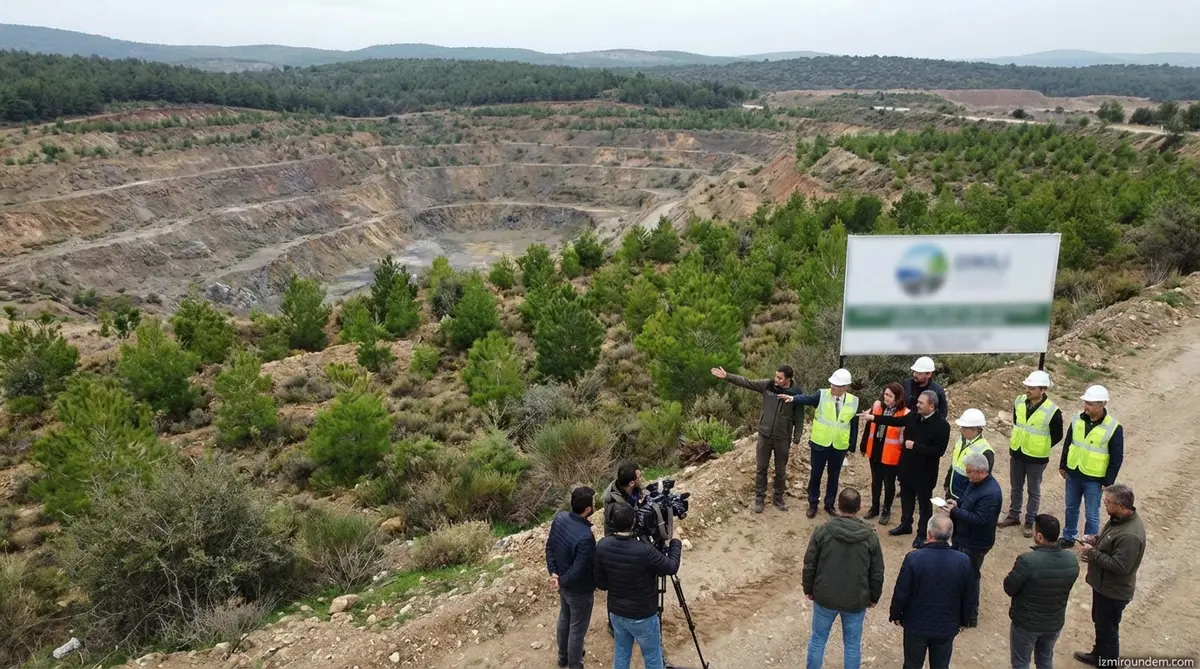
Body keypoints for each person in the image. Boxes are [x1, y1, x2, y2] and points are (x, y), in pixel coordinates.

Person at [802, 488, 885, 669]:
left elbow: (810, 563)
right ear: (859, 508)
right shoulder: (870, 536)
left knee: (818, 639)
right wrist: (874, 597)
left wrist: (808, 589)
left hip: (824, 596)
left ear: (838, 506)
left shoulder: (822, 531)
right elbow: (877, 572)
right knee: (852, 644)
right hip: (856, 600)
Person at [593, 503, 683, 669]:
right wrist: (675, 542)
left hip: (617, 612)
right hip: (642, 615)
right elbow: (671, 567)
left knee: (621, 651)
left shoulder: (602, 545)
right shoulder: (644, 551)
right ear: (634, 522)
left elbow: (600, 581)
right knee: (652, 655)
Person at [861, 390, 951, 548]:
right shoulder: (914, 416)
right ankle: (906, 524)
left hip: (925, 472)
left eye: (921, 403)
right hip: (907, 467)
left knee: (924, 505)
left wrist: (915, 446)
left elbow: (938, 451)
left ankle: (922, 533)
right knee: (906, 499)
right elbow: (896, 421)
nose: (917, 405)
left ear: (932, 406)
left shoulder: (942, 426)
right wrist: (873, 417)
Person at [889, 515, 978, 669]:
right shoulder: (963, 561)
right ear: (950, 536)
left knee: (912, 664)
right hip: (947, 626)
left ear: (929, 534)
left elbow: (902, 591)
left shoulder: (914, 558)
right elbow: (969, 595)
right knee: (941, 665)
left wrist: (896, 614)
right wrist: (965, 620)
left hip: (916, 625)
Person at [1072, 484, 1145, 667]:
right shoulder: (1118, 520)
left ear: (1121, 506)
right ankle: (1098, 655)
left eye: (1108, 502)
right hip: (1104, 586)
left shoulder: (1130, 536)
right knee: (1101, 624)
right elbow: (1110, 542)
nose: (1105, 504)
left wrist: (1092, 553)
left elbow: (1120, 566)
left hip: (1113, 592)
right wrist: (1096, 540)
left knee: (1109, 631)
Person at [711, 365, 802, 513]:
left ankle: (778, 498)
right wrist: (727, 376)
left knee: (780, 470)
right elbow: (747, 382)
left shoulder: (796, 393)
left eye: (780, 377)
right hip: (764, 436)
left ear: (788, 379)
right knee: (761, 468)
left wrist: (796, 440)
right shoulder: (768, 385)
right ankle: (759, 498)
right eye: (776, 376)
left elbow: (799, 418)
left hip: (783, 438)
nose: (776, 379)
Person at [779, 368, 860, 518]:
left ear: (845, 387)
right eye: (832, 384)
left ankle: (829, 504)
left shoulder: (853, 401)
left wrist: (852, 445)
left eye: (837, 385)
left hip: (839, 446)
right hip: (820, 443)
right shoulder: (822, 394)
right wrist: (794, 399)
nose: (833, 387)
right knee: (816, 475)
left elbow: (853, 424)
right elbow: (807, 398)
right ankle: (813, 503)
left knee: (834, 476)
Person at [1003, 514, 1079, 669]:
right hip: (1054, 622)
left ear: (1039, 536)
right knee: (1045, 661)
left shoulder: (1027, 560)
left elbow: (1009, 588)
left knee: (1021, 663)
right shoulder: (1071, 560)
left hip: (1026, 624)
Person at [999, 370, 1064, 539]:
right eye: (1027, 386)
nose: (1027, 390)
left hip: (1036, 458)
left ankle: (1029, 520)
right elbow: (1017, 423)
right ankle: (1014, 516)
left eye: (1032, 388)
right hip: (1018, 453)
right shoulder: (1019, 401)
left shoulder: (1053, 411)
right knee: (1016, 487)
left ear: (1043, 390)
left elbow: (1057, 435)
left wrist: (1039, 446)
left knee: (1033, 490)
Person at [1058, 385, 1124, 547]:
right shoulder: (1076, 420)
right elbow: (1068, 444)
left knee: (1092, 514)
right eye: (1085, 402)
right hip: (1073, 472)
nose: (1086, 407)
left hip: (1094, 479)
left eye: (1090, 404)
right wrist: (1063, 465)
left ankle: (1089, 544)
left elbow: (1116, 458)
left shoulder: (1113, 427)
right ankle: (1068, 537)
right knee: (1071, 508)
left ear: (1102, 405)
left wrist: (1108, 481)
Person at [545, 487, 599, 669]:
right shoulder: (586, 537)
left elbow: (550, 546)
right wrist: (593, 539)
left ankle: (562, 658)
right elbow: (580, 569)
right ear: (587, 509)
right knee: (577, 628)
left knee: (564, 619)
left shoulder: (560, 518)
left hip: (562, 582)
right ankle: (575, 664)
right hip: (579, 589)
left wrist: (554, 574)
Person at [945, 453, 1002, 576]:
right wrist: (957, 503)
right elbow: (967, 499)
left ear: (980, 471)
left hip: (975, 543)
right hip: (963, 536)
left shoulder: (991, 494)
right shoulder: (975, 482)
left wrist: (955, 511)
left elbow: (980, 519)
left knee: (970, 575)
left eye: (969, 471)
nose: (967, 474)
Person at [859, 382, 909, 525]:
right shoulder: (877, 406)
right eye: (885, 394)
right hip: (875, 449)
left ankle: (886, 510)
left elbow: (904, 436)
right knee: (876, 481)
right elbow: (869, 428)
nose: (886, 397)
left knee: (889, 483)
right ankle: (874, 507)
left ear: (898, 398)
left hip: (892, 453)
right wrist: (863, 446)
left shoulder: (904, 413)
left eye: (890, 395)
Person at [943, 408, 993, 503]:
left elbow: (982, 481)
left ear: (975, 429)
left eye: (964, 428)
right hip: (952, 492)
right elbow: (954, 465)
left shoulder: (985, 451)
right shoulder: (961, 441)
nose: (961, 430)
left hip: (966, 498)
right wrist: (947, 483)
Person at [602, 460, 645, 537]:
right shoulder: (614, 505)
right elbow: (612, 532)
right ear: (631, 483)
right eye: (639, 477)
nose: (641, 479)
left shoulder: (634, 489)